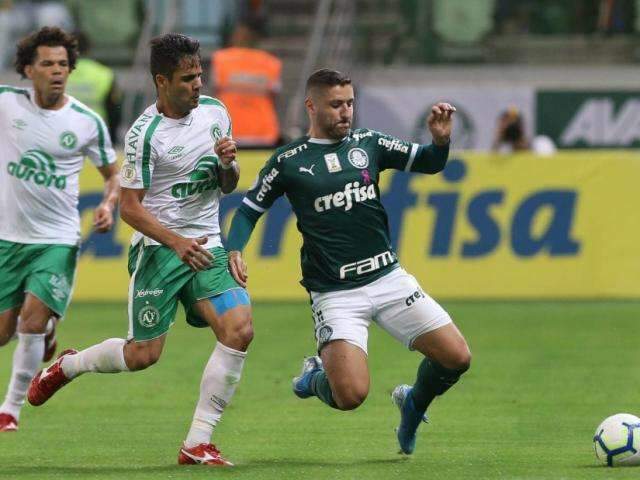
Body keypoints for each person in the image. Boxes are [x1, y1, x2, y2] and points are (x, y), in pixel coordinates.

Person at [27, 33, 253, 467]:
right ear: (161, 81)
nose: (198, 85)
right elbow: (130, 209)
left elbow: (228, 186)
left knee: (239, 329)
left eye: (200, 75)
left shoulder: (216, 113)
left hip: (206, 244)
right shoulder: (143, 135)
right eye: (187, 78)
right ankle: (69, 366)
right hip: (160, 250)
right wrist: (176, 242)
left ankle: (197, 443)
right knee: (143, 355)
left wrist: (229, 165)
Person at [225, 69, 471, 455]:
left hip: (388, 278)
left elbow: (428, 162)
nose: (346, 112)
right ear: (312, 106)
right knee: (351, 396)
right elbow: (248, 210)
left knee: (457, 357)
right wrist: (234, 249)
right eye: (336, 105)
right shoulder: (288, 161)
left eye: (350, 103)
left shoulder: (369, 143)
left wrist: (440, 143)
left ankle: (413, 404)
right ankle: (314, 376)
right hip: (335, 294)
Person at [0, 26, 118, 432]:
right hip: (7, 237)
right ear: (28, 69)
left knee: (29, 323)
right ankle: (48, 328)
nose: (57, 71)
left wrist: (107, 203)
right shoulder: (6, 104)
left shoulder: (86, 122)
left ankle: (10, 410)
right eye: (47, 63)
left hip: (58, 238)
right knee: (3, 332)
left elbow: (112, 174)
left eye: (63, 64)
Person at [210, 17, 282, 147]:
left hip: (228, 132)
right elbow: (275, 98)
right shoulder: (271, 62)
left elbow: (212, 94)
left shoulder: (221, 59)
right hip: (263, 133)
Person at [66, 31, 123, 144]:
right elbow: (114, 112)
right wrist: (112, 142)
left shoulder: (58, 72)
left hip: (64, 137)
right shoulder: (105, 74)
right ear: (88, 49)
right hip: (95, 136)